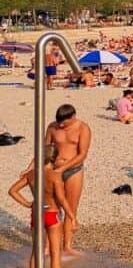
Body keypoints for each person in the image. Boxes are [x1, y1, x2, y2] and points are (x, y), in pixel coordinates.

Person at [7, 145, 76, 268]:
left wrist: (27, 203)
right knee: (55, 251)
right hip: (52, 214)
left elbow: (12, 191)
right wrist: (72, 216)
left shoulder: (31, 174)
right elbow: (61, 199)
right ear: (55, 158)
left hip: (36, 213)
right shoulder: (55, 176)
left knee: (35, 252)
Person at [44, 104, 90, 256]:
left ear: (73, 116)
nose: (61, 125)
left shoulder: (83, 128)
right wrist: (31, 167)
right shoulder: (52, 127)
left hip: (73, 170)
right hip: (54, 169)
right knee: (52, 207)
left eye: (64, 122)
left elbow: (82, 154)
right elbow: (44, 150)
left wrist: (63, 168)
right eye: (59, 122)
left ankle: (67, 245)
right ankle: (48, 244)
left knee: (71, 207)